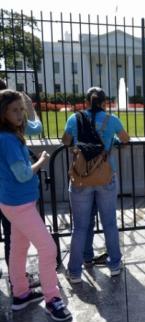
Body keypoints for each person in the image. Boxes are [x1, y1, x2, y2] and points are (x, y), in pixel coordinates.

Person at [0, 89, 71, 320]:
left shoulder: (8, 134)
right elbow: (22, 175)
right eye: (15, 110)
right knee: (48, 249)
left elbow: (35, 127)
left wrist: (29, 108)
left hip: (14, 202)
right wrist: (42, 160)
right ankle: (53, 299)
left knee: (18, 248)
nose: (20, 114)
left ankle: (21, 294)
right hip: (19, 203)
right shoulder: (7, 139)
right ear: (3, 113)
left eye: (21, 109)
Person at [62, 86, 129, 283]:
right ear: (104, 102)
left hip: (81, 176)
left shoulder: (75, 118)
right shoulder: (112, 120)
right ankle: (115, 264)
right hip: (105, 175)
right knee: (109, 223)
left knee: (80, 227)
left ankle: (75, 271)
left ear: (86, 100)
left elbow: (66, 141)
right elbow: (125, 140)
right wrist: (112, 140)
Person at [0, 78, 43, 287]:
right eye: (15, 109)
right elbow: (37, 127)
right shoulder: (10, 134)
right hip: (15, 196)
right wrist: (29, 108)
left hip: (6, 193)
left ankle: (18, 287)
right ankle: (19, 282)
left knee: (16, 244)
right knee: (43, 247)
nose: (19, 114)